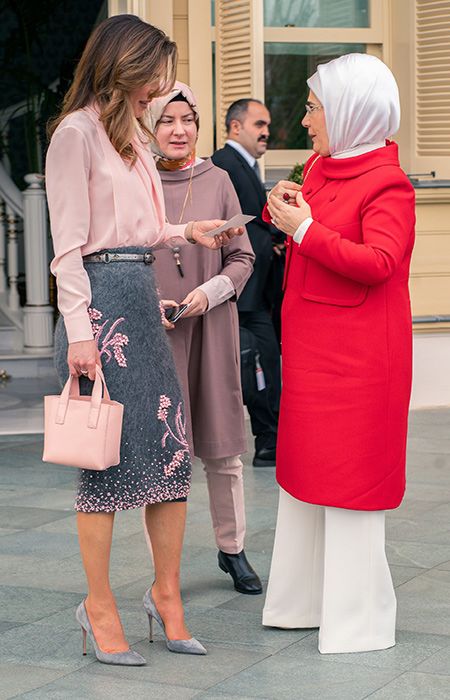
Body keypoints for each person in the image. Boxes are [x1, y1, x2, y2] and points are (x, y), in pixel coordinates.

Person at [45, 14, 243, 665]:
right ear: (122, 65)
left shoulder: (131, 133)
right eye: (151, 73)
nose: (159, 89)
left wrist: (191, 233)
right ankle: (98, 607)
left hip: (140, 299)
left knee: (169, 453)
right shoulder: (74, 135)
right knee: (103, 463)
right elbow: (69, 250)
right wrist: (80, 334)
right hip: (99, 308)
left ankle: (166, 595)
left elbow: (145, 229)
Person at [261, 53, 415, 654]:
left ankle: (359, 621)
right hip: (312, 354)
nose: (305, 121)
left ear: (349, 112)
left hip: (358, 366)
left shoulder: (390, 185)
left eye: (314, 108)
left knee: (350, 486)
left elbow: (379, 263)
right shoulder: (324, 166)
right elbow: (315, 231)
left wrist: (302, 230)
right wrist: (286, 209)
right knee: (304, 480)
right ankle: (300, 604)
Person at [147, 82, 262, 595]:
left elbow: (243, 258)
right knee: (163, 452)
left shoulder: (218, 180)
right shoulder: (136, 181)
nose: (179, 130)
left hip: (211, 329)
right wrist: (147, 304)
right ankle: (163, 568)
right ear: (149, 126)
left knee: (222, 451)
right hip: (156, 334)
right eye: (167, 120)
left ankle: (232, 549)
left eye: (187, 120)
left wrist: (211, 293)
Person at [212, 99, 282, 467]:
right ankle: (266, 442)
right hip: (242, 291)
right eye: (259, 124)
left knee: (262, 363)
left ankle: (269, 441)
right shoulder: (223, 164)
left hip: (256, 291)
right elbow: (227, 225)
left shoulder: (246, 166)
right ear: (235, 127)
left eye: (267, 124)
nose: (266, 131)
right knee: (256, 365)